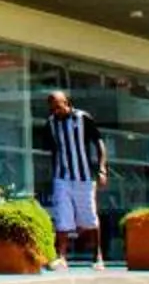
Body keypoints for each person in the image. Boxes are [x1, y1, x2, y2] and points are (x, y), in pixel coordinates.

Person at [46, 90, 107, 269]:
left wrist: (102, 168)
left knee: (89, 217)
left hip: (84, 177)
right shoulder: (50, 124)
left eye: (59, 106)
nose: (56, 111)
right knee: (62, 216)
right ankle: (61, 257)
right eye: (52, 108)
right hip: (62, 176)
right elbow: (53, 150)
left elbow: (99, 142)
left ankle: (97, 256)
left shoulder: (82, 118)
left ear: (67, 103)